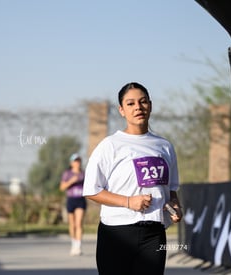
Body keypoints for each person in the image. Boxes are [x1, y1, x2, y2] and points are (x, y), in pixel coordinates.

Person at [83, 82, 183, 275]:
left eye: (143, 101)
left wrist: (174, 207)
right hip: (116, 233)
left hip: (154, 234)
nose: (138, 107)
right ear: (122, 110)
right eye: (130, 104)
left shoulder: (164, 146)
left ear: (150, 105)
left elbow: (169, 191)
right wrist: (128, 202)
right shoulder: (110, 145)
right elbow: (91, 190)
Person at [60, 153, 86, 256]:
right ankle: (73, 244)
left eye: (79, 160)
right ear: (71, 163)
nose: (77, 163)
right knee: (72, 224)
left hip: (80, 200)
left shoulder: (83, 174)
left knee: (78, 223)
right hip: (71, 199)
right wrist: (71, 181)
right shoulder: (67, 173)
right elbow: (62, 187)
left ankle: (78, 246)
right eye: (75, 161)